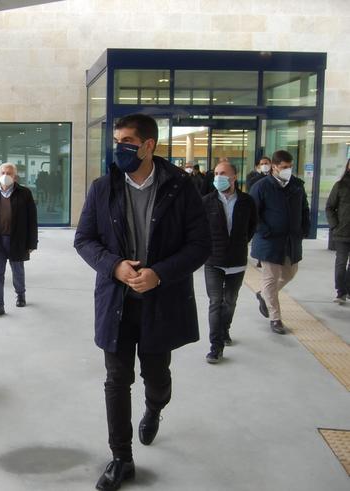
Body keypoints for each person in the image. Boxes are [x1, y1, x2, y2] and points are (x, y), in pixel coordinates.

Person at [74, 114, 210, 491]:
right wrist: (114, 266)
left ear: (149, 145)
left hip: (160, 303)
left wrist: (160, 274)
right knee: (117, 380)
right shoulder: (103, 188)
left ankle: (155, 407)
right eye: (117, 140)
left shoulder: (181, 188)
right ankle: (121, 458)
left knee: (156, 377)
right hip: (116, 302)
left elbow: (200, 245)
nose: (120, 148)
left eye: (128, 141)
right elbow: (84, 239)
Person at [202, 161, 257, 363]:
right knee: (215, 302)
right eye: (216, 173)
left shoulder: (247, 202)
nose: (218, 177)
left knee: (230, 301)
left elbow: (252, 227)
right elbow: (200, 230)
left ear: (234, 176)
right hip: (213, 261)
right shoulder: (206, 202)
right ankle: (215, 346)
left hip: (237, 261)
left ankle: (225, 329)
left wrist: (239, 244)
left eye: (223, 173)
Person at [250, 150, 310, 334]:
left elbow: (304, 209)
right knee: (271, 278)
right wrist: (265, 230)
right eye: (284, 167)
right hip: (269, 240)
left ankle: (263, 294)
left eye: (290, 167)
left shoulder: (297, 186)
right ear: (274, 167)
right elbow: (252, 213)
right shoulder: (261, 187)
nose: (288, 170)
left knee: (290, 273)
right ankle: (276, 319)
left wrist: (304, 229)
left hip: (291, 240)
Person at [0, 163, 38, 317]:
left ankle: (20, 294)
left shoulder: (25, 194)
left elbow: (32, 220)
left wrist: (32, 243)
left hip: (17, 239)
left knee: (17, 270)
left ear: (15, 176)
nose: (5, 175)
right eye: (3, 172)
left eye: (9, 172)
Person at [325, 158, 350, 304]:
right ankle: (341, 292)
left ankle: (348, 289)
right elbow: (329, 207)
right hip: (342, 232)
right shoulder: (340, 186)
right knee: (341, 263)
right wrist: (335, 225)